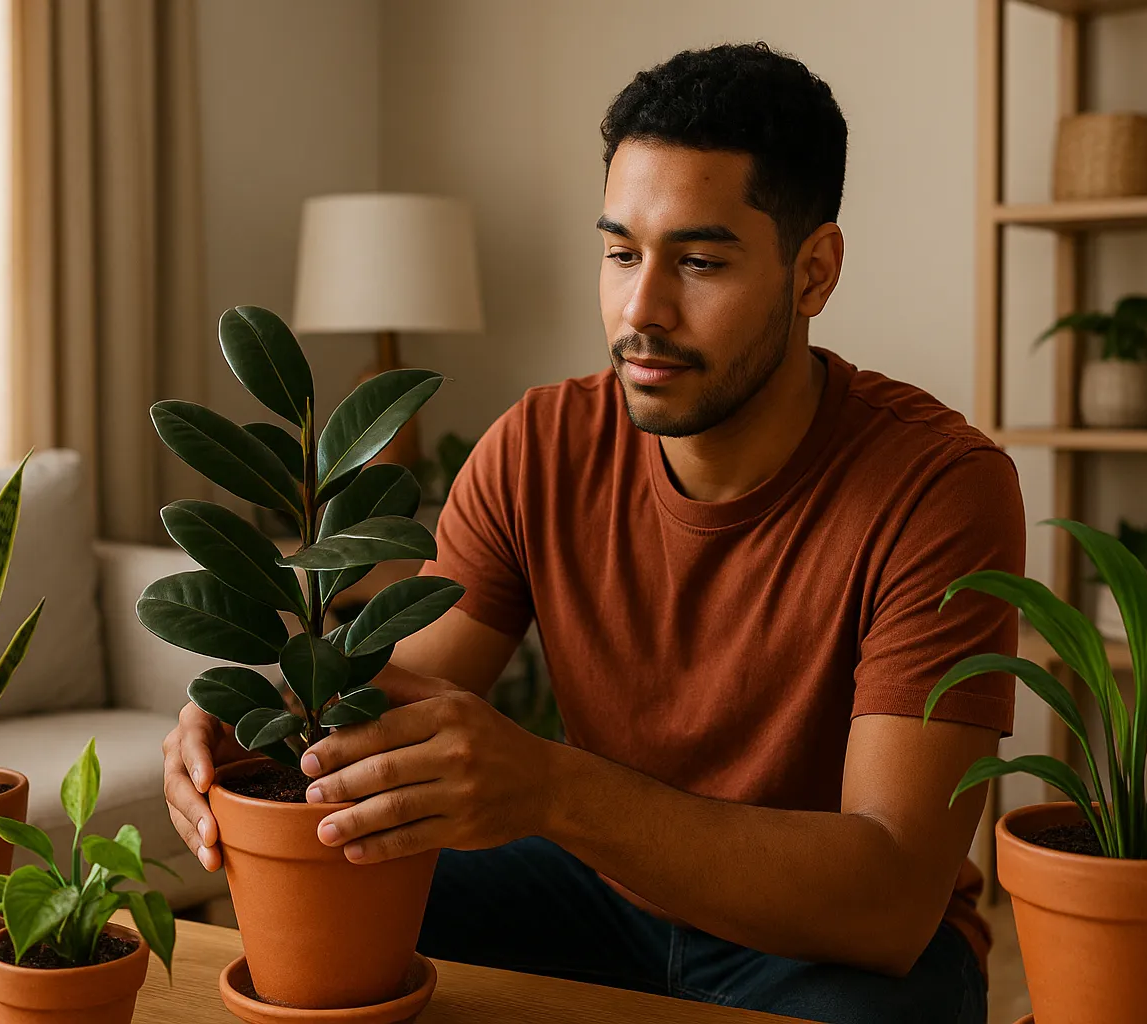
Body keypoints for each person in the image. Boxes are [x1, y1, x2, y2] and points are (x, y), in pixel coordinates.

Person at [162, 41, 1022, 1024]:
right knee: (336, 878)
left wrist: (553, 789)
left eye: (699, 261)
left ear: (812, 271)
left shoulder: (941, 489)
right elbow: (413, 690)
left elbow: (888, 897)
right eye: (620, 253)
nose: (640, 309)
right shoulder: (538, 445)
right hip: (595, 889)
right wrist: (258, 719)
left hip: (826, 944)